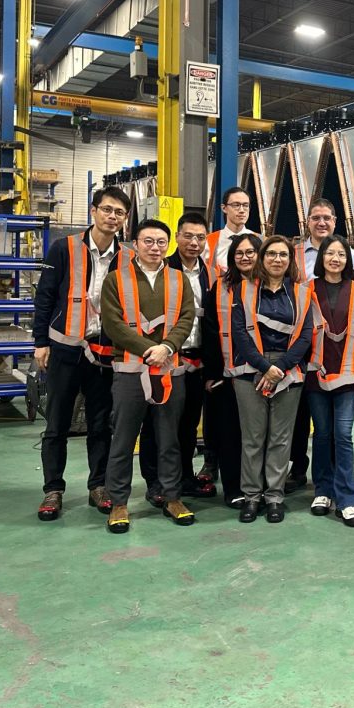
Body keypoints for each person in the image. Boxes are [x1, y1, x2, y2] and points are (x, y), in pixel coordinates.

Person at [31, 186, 134, 522]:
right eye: (107, 209)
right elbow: (45, 297)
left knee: (101, 424)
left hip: (104, 355)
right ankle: (53, 489)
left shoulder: (128, 257)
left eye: (119, 213)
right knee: (57, 423)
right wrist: (41, 342)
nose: (112, 217)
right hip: (65, 350)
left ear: (125, 219)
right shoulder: (64, 248)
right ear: (94, 211)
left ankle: (98, 486)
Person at [100, 219, 196, 534]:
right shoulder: (116, 280)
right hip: (130, 372)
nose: (155, 248)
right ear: (135, 244)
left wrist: (167, 347)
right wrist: (148, 350)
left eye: (160, 242)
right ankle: (118, 502)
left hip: (169, 371)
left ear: (168, 245)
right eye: (148, 241)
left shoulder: (179, 280)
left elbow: (186, 318)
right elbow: (113, 324)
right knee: (123, 439)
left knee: (169, 439)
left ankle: (172, 497)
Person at [230, 234, 315, 524]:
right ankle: (252, 496)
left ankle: (275, 497)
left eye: (283, 255)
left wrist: (281, 368)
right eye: (271, 254)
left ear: (290, 260)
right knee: (253, 438)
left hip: (288, 370)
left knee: (280, 438)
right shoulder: (243, 290)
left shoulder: (302, 293)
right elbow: (239, 333)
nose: (277, 259)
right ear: (262, 258)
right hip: (250, 368)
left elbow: (305, 336)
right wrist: (265, 367)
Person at [285, 198, 354, 495]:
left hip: (343, 364)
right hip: (309, 361)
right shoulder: (294, 255)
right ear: (307, 221)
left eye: (327, 218)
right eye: (316, 217)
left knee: (338, 432)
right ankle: (303, 472)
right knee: (305, 424)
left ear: (334, 222)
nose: (321, 222)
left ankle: (337, 483)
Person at [139, 212, 214, 506]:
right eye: (188, 236)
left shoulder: (209, 273)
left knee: (188, 424)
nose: (194, 242)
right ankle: (155, 481)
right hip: (165, 358)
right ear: (177, 237)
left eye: (200, 237)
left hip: (196, 360)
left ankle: (183, 477)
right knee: (157, 424)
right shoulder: (163, 268)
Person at [306, 235, 354, 527]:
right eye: (330, 253)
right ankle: (322, 490)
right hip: (315, 373)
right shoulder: (307, 290)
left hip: (347, 374)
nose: (335, 259)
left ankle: (347, 498)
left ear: (348, 260)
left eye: (341, 254)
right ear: (321, 258)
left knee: (343, 435)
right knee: (322, 434)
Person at [200, 232, 262, 508]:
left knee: (259, 435)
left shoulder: (269, 285)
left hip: (261, 373)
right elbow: (210, 331)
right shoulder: (220, 287)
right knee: (230, 433)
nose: (245, 257)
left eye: (250, 252)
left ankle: (258, 487)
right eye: (239, 253)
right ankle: (234, 488)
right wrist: (213, 373)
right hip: (227, 374)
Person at [205, 186, 256, 274]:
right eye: (236, 205)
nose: (242, 210)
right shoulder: (208, 241)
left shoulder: (260, 241)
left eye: (245, 205)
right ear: (224, 208)